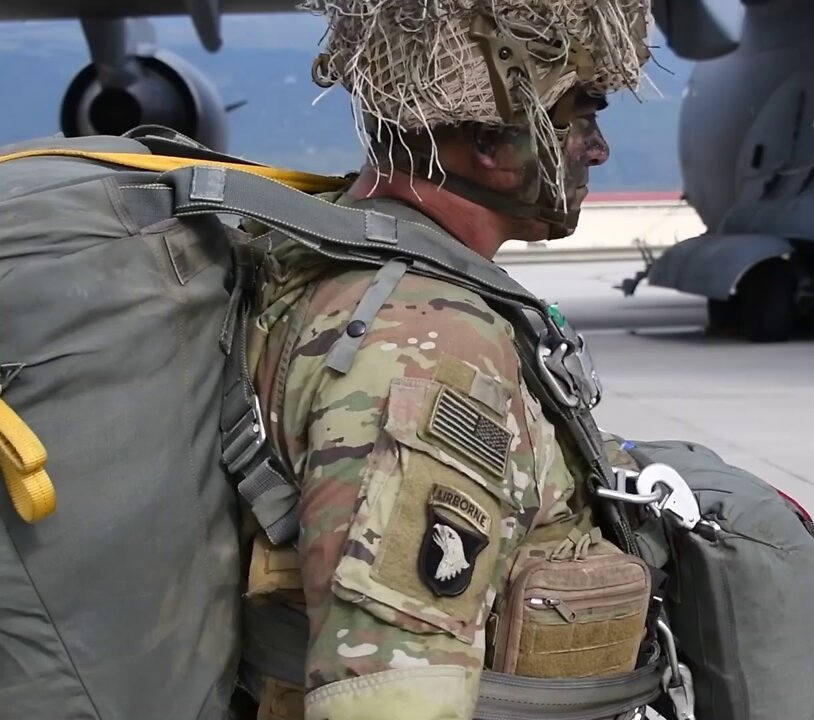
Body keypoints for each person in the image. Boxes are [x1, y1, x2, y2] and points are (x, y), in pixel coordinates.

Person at [239, 2, 655, 719]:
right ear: (491, 143)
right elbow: (389, 697)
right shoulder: (426, 344)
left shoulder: (327, 255)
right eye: (580, 115)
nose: (598, 149)